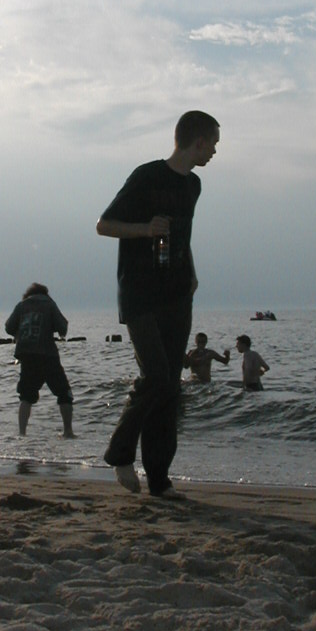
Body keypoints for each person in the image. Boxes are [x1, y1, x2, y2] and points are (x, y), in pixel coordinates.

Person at [96, 109, 220, 498]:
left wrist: (192, 272)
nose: (215, 152)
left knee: (170, 389)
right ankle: (119, 453)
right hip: (139, 292)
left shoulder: (194, 185)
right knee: (156, 377)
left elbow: (184, 235)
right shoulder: (146, 176)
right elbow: (104, 225)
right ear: (198, 141)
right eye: (213, 144)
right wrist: (145, 229)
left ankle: (160, 481)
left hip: (177, 293)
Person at [5, 283, 75, 438]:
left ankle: (22, 433)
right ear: (45, 293)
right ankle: (68, 431)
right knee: (64, 393)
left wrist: (20, 332)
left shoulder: (21, 305)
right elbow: (63, 327)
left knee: (26, 396)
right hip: (48, 355)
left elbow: (9, 327)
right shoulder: (49, 304)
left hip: (27, 356)